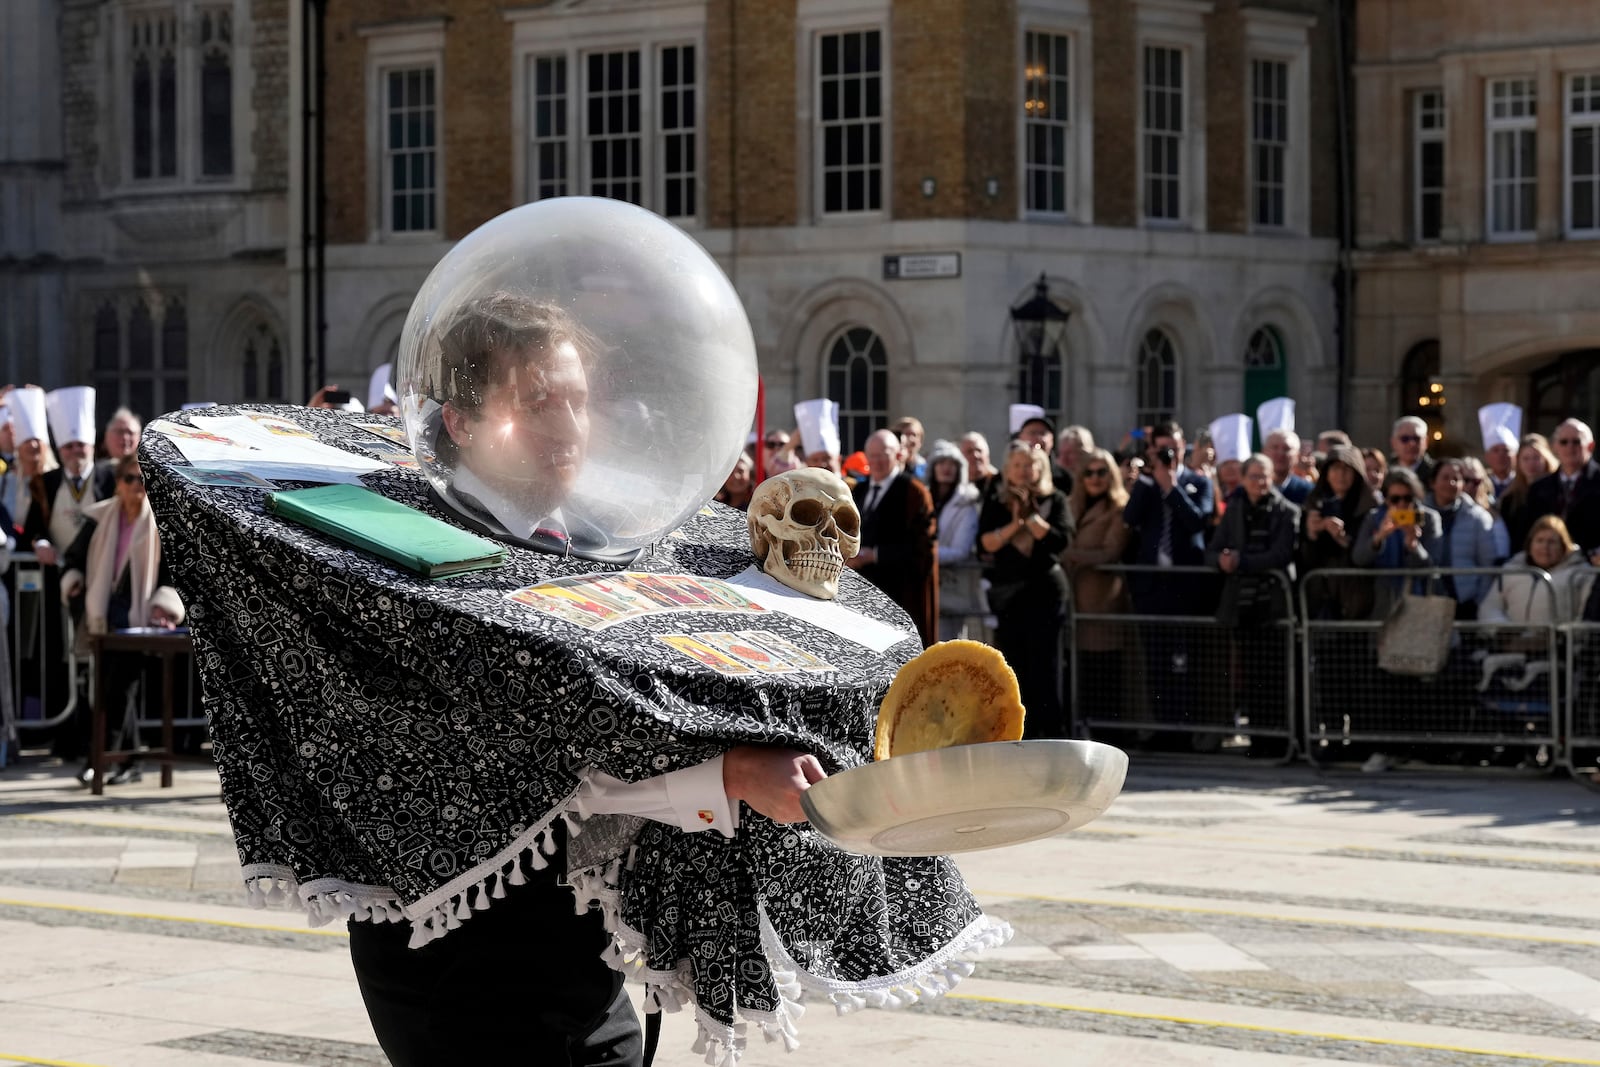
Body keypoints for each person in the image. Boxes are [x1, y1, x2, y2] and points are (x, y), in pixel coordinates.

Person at [370, 291, 829, 1066]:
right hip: (474, 966)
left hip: (579, 950)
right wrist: (735, 775)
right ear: (462, 420)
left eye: (579, 402)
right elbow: (539, 773)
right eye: (539, 403)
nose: (570, 429)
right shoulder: (427, 564)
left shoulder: (590, 545)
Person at [59, 455, 185, 785]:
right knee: (111, 689)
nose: (137, 487)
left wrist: (164, 604)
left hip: (139, 617)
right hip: (104, 614)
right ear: (118, 482)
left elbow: (173, 575)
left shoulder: (160, 523)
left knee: (117, 690)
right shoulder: (100, 517)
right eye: (130, 479)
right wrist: (72, 579)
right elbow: (73, 557)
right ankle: (130, 762)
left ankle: (96, 762)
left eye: (143, 480)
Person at [1350, 468, 1443, 772]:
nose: (1401, 506)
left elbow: (1433, 566)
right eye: (1394, 499)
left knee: (1414, 678)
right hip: (1383, 609)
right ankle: (1382, 747)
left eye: (1407, 499)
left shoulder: (1428, 519)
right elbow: (1359, 558)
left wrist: (1412, 544)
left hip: (1416, 608)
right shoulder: (1374, 518)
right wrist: (1381, 536)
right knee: (1382, 680)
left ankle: (1412, 748)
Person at [1207, 455, 1299, 752]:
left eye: (1265, 476)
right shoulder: (1234, 510)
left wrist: (1242, 561)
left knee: (1275, 677)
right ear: (1244, 479)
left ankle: (1278, 740)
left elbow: (1281, 554)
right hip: (1242, 606)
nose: (1260, 482)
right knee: (1251, 676)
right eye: (1254, 476)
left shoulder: (1286, 511)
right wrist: (1221, 560)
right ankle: (1258, 740)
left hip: (1272, 606)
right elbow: (1213, 549)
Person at [978, 443, 1070, 738]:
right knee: (1013, 665)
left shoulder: (1055, 499)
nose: (1022, 471)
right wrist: (1014, 524)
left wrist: (1032, 518)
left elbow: (1060, 541)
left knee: (1046, 665)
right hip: (1010, 595)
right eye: (1016, 465)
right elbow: (986, 543)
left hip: (1045, 592)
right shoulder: (996, 500)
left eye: (1029, 465)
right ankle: (1018, 732)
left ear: (1040, 469)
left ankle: (1051, 732)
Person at [1060, 448, 1131, 730]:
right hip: (1072, 600)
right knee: (1078, 670)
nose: (1095, 478)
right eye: (1089, 472)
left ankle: (1108, 733)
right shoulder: (1071, 505)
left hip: (1101, 602)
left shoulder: (1120, 507)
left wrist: (1071, 554)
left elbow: (1110, 551)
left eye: (1102, 472)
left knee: (1104, 671)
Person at [847, 429, 939, 646]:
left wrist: (876, 555)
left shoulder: (914, 493)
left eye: (884, 454)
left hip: (900, 594)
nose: (877, 461)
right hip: (864, 594)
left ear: (899, 455)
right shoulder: (859, 490)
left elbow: (923, 548)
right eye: (873, 455)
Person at [1299, 443, 1381, 621]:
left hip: (1357, 597)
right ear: (1326, 473)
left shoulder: (1370, 509)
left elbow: (1369, 555)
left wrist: (1344, 539)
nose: (1341, 475)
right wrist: (1312, 533)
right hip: (1320, 595)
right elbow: (1305, 558)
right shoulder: (1312, 504)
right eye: (1336, 468)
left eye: (1347, 469)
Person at [1425, 458, 1501, 619]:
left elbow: (1488, 565)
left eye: (1457, 479)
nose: (1451, 483)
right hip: (1427, 599)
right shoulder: (1420, 515)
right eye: (1445, 478)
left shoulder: (1478, 517)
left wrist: (1478, 600)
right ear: (1433, 483)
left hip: (1466, 600)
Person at [926, 440, 981, 642]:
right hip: (925, 586)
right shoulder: (925, 498)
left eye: (952, 463)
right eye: (941, 462)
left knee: (950, 648)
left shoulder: (966, 504)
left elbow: (960, 550)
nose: (946, 468)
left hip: (952, 588)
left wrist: (926, 553)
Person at [1526, 418, 1600, 553]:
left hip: (1589, 566)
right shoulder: (1538, 488)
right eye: (1564, 442)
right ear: (1555, 446)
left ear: (1590, 446)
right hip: (1547, 565)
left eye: (1576, 442)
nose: (1570, 447)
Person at [1500, 434, 1559, 554]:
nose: (1531, 464)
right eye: (1525, 459)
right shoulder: (1510, 498)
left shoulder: (1559, 490)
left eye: (1536, 458)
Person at [1264, 428, 1312, 505]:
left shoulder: (1309, 492)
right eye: (1275, 447)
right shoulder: (1249, 490)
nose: (1280, 453)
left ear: (1297, 455)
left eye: (1287, 449)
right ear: (1264, 452)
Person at [1389, 415, 1437, 487]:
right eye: (1405, 439)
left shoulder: (1436, 474)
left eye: (1416, 438)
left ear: (1426, 442)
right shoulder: (1384, 473)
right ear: (1393, 443)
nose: (1412, 444)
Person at [959, 431, 998, 499]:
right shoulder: (955, 488)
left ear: (987, 456)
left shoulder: (1001, 485)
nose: (975, 455)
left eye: (979, 450)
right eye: (969, 451)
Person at [891, 416, 929, 482]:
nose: (910, 439)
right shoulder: (888, 466)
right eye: (906, 434)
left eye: (914, 435)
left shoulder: (926, 469)